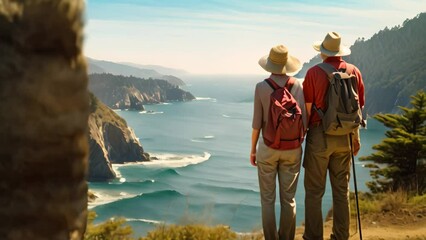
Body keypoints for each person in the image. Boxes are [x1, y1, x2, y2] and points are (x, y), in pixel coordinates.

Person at [302, 32, 365, 240]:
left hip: (320, 136)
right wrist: (356, 137)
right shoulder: (354, 71)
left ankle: (313, 237)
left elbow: (308, 110)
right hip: (346, 137)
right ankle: (341, 236)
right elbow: (359, 107)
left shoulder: (313, 73)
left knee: (314, 192)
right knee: (341, 190)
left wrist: (303, 136)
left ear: (323, 52)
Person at [251, 45, 307, 240]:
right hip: (292, 149)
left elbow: (257, 124)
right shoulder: (298, 85)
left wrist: (253, 151)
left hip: (267, 148)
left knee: (267, 200)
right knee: (289, 199)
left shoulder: (260, 87)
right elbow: (304, 121)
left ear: (269, 64)